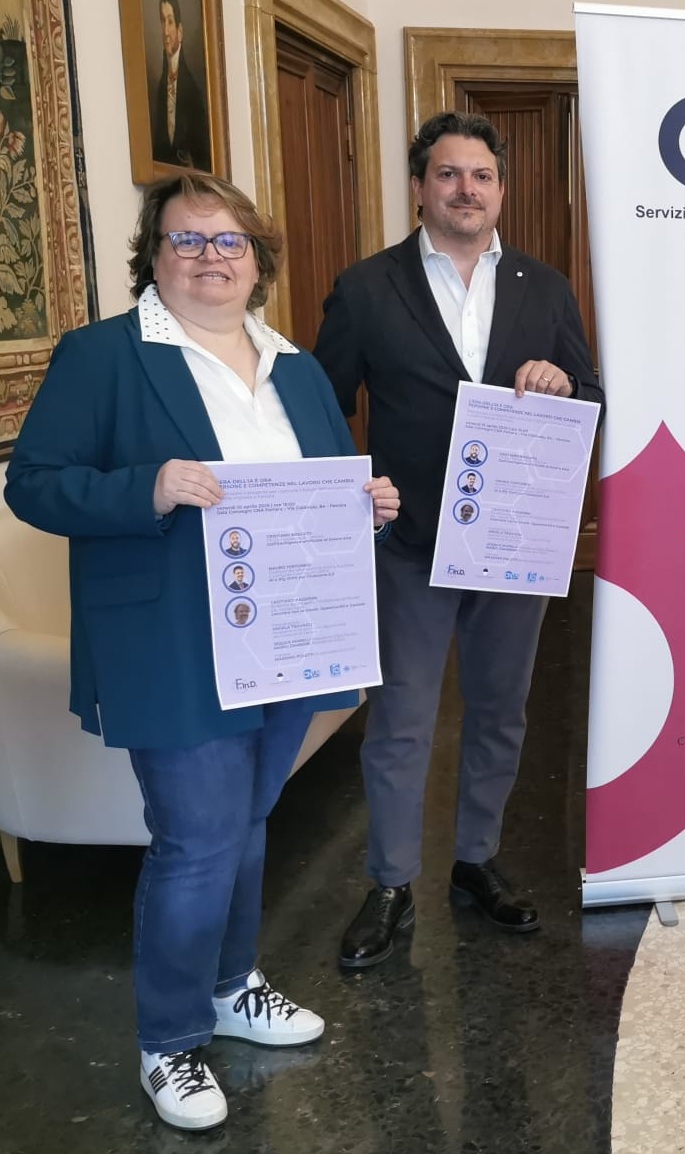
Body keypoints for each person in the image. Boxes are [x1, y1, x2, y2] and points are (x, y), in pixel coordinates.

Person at [3, 173, 399, 1130]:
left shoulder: (296, 367)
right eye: (187, 240)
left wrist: (366, 508)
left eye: (229, 241)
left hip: (286, 636)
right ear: (155, 256)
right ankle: (170, 1041)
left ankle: (230, 985)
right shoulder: (104, 356)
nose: (210, 257)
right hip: (171, 640)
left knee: (249, 819)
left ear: (257, 261)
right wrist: (148, 487)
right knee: (194, 841)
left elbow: (316, 492)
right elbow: (35, 483)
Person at [314, 111, 602, 966]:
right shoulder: (367, 288)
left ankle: (476, 860)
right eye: (448, 174)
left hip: (512, 544)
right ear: (420, 187)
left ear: (500, 190)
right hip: (409, 544)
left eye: (481, 175)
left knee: (501, 713)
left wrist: (564, 383)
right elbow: (321, 407)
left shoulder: (545, 288)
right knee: (401, 722)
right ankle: (391, 883)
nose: (465, 189)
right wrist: (350, 493)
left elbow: (591, 392)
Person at [150, 0, 212, 171]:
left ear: (180, 31)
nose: (165, 31)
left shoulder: (193, 92)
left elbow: (202, 159)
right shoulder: (161, 88)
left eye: (170, 22)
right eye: (162, 21)